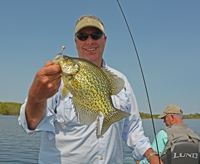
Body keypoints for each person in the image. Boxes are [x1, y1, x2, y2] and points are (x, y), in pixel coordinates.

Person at [18, 15, 162, 164]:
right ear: (76, 42)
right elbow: (31, 124)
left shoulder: (121, 80)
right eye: (82, 36)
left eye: (96, 35)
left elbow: (132, 128)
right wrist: (36, 97)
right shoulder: (55, 80)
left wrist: (152, 156)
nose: (89, 40)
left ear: (104, 40)